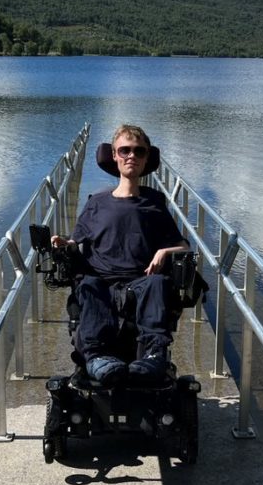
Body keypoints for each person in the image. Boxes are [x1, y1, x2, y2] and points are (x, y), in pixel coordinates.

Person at [52, 124, 189, 384]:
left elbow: (184, 246)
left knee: (158, 283)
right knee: (87, 283)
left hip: (141, 280)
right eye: (124, 150)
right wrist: (62, 243)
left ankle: (152, 356)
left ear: (147, 158)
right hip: (102, 279)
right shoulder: (96, 204)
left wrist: (163, 251)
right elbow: (75, 241)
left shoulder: (153, 204)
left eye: (139, 151)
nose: (131, 156)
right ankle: (97, 356)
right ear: (114, 155)